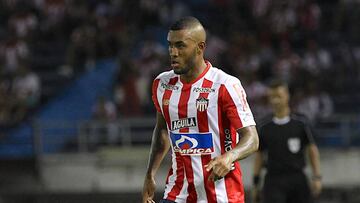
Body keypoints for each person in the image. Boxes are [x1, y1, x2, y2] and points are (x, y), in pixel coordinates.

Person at [142, 16, 259, 203]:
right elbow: (163, 130)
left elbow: (252, 139)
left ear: (200, 48)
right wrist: (150, 174)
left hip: (222, 196)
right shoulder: (162, 84)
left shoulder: (225, 85)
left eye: (180, 46)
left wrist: (230, 156)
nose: (173, 52)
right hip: (177, 193)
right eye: (170, 45)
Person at [252, 80, 322, 203]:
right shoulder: (264, 126)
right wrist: (256, 182)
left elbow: (312, 149)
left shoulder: (301, 122)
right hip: (273, 180)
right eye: (272, 97)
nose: (275, 100)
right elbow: (259, 154)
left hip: (297, 177)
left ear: (287, 96)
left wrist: (316, 176)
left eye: (279, 96)